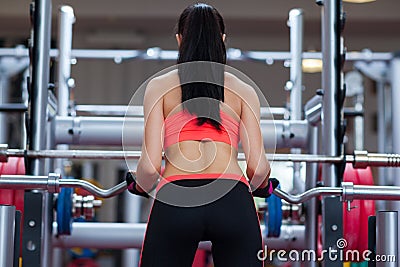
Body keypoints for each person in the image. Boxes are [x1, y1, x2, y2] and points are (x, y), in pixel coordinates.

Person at [126, 3, 279, 266]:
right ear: (222, 40)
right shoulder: (243, 90)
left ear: (179, 40)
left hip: (177, 199)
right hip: (232, 199)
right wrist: (264, 186)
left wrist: (138, 184)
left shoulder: (159, 87)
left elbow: (150, 168)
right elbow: (258, 167)